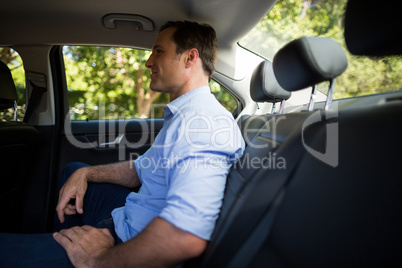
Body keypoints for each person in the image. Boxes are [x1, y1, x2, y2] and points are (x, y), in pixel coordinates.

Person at [0, 21, 244, 267]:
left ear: (190, 58)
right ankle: (71, 242)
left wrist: (100, 259)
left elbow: (184, 236)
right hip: (131, 216)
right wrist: (87, 172)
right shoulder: (185, 115)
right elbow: (140, 170)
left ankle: (75, 253)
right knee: (74, 171)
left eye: (159, 51)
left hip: (134, 242)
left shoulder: (203, 124)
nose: (148, 61)